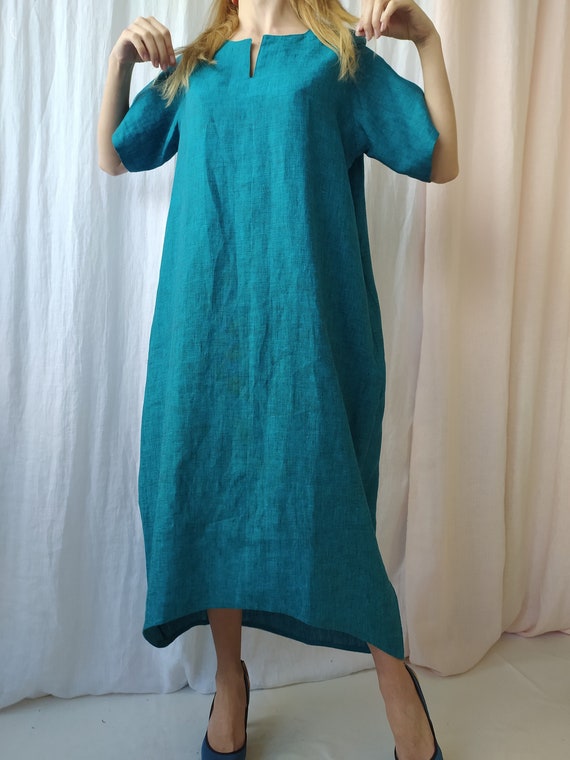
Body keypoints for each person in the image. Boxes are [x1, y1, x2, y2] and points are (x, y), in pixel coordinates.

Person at [98, 0, 458, 758]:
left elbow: (440, 158)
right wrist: (120, 60)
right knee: (209, 499)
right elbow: (115, 154)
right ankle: (230, 681)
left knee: (330, 503)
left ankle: (396, 684)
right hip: (202, 330)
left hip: (309, 333)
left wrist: (426, 40)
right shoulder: (196, 66)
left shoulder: (338, 60)